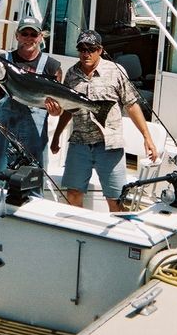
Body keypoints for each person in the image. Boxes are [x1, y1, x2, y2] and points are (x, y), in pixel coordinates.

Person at [48, 30, 157, 212]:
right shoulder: (71, 74)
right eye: (82, 49)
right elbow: (68, 109)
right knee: (73, 194)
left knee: (116, 199)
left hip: (109, 145)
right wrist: (57, 135)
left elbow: (131, 105)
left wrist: (147, 137)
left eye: (91, 49)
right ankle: (78, 227)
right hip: (79, 143)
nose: (86, 54)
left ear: (100, 50)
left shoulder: (116, 71)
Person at [0, 16, 61, 177]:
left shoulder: (52, 67)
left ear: (40, 37)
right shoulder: (3, 62)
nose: (29, 38)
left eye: (33, 34)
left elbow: (59, 110)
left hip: (34, 139)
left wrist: (56, 111)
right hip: (2, 134)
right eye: (24, 34)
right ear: (17, 35)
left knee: (32, 181)